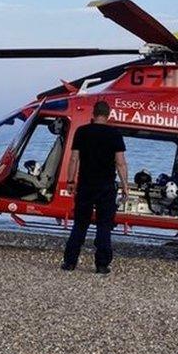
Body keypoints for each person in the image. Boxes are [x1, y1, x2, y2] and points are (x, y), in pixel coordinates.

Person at [62, 100, 129, 274]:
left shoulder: (82, 132)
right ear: (109, 114)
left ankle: (70, 262)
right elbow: (120, 163)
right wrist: (125, 186)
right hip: (106, 186)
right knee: (104, 225)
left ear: (94, 113)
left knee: (80, 224)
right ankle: (101, 264)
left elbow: (74, 159)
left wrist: (70, 181)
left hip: (85, 184)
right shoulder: (115, 134)